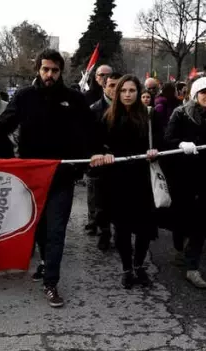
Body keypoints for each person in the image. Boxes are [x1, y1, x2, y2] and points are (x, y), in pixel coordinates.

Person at [0, 49, 98, 307]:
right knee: (39, 228)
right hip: (31, 177)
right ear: (38, 70)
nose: (49, 75)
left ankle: (51, 283)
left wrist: (92, 157)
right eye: (45, 69)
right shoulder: (24, 97)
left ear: (61, 72)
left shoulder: (74, 99)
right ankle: (45, 262)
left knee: (56, 230)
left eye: (54, 70)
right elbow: (1, 129)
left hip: (62, 177)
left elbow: (90, 132)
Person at [91, 75, 161, 289]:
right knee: (122, 229)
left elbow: (162, 141)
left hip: (142, 179)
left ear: (139, 93)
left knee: (143, 228)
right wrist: (104, 153)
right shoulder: (107, 117)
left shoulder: (149, 116)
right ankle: (126, 268)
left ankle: (139, 266)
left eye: (132, 90)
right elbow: (97, 144)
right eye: (124, 91)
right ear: (118, 92)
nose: (128, 94)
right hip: (117, 181)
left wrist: (155, 151)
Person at [164, 77, 206, 289]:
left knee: (202, 222)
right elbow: (167, 139)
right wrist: (180, 143)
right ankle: (179, 247)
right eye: (204, 92)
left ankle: (193, 267)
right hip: (185, 176)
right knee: (181, 219)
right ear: (195, 95)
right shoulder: (181, 114)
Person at [87, 72, 122, 250]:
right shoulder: (94, 109)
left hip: (122, 164)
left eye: (118, 86)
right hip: (101, 165)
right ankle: (104, 231)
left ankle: (118, 232)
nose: (115, 90)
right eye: (111, 85)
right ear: (104, 87)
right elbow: (89, 138)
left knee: (120, 202)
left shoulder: (129, 108)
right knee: (101, 203)